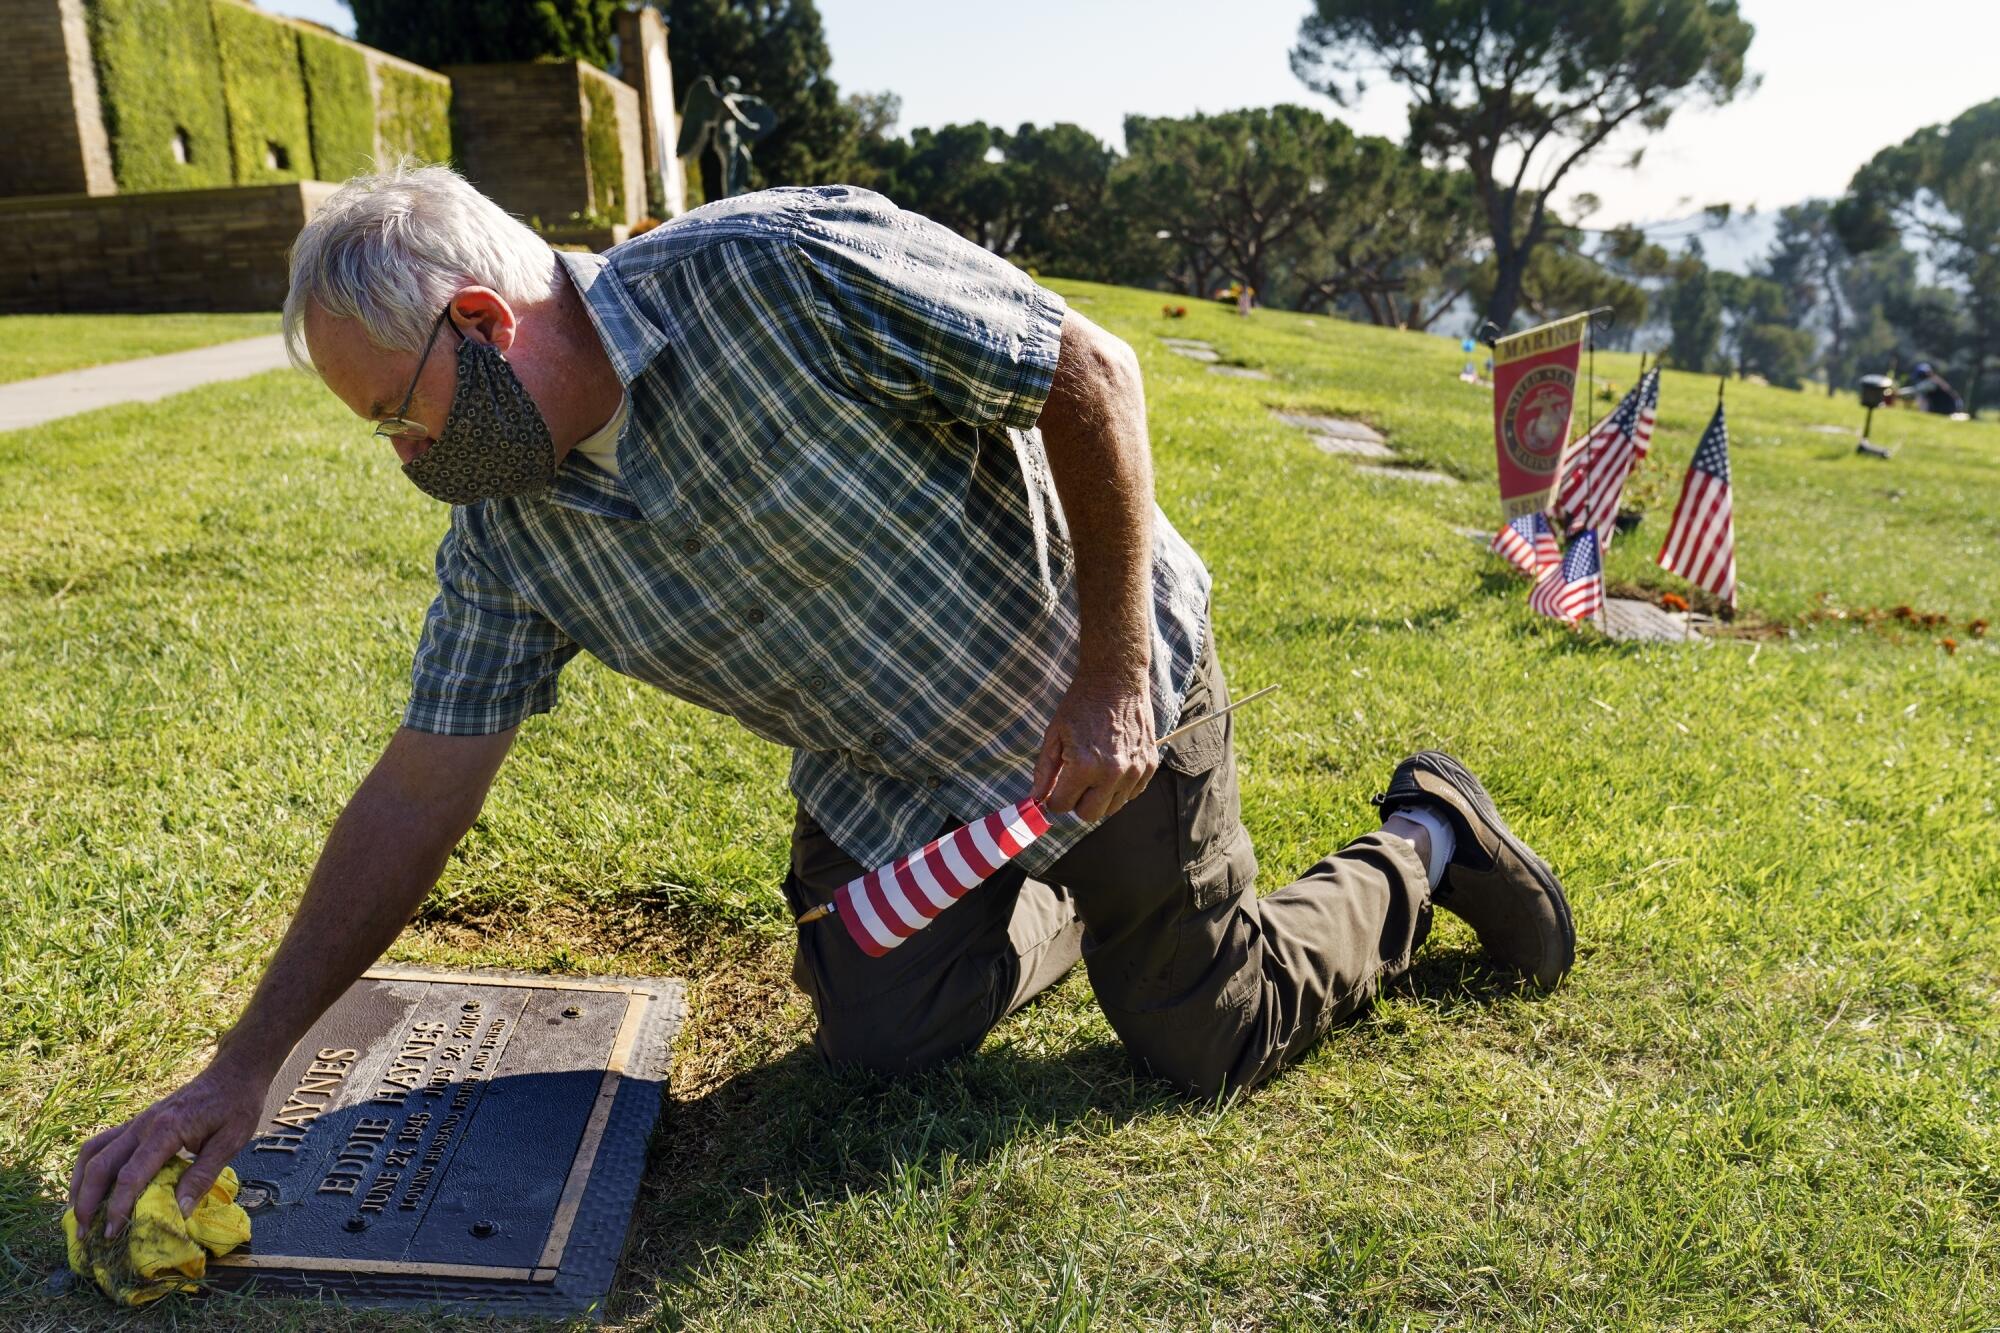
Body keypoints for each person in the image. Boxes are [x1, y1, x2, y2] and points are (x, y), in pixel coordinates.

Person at [67, 165, 1574, 1242]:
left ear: (479, 320)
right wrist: (247, 1059)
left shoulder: (776, 268)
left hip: (1102, 699)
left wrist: (1115, 671)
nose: (400, 457)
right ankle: (1052, 900)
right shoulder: (507, 541)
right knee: (881, 1034)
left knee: (1209, 1034)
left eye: (394, 413)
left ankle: (1427, 839)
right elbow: (418, 791)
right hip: (901, 788)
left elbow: (1093, 376)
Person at [1897, 362, 1967, 416]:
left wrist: (1898, 392)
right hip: (1948, 409)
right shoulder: (1936, 380)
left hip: (1944, 410)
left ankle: (1923, 414)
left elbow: (1915, 390)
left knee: (1921, 396)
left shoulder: (1931, 383)